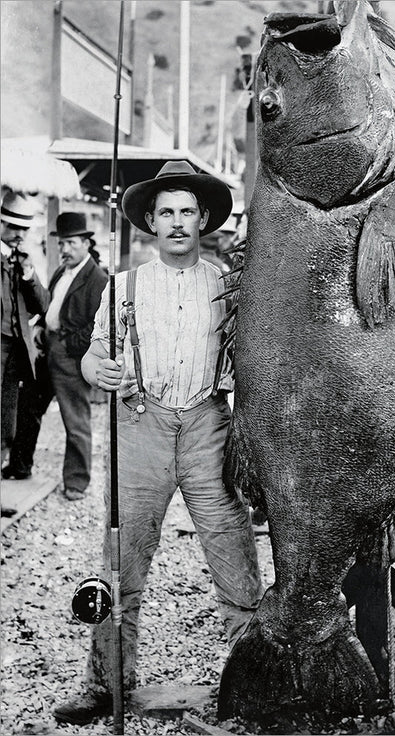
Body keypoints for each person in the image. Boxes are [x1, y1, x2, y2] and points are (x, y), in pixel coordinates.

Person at [53, 161, 263, 726]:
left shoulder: (228, 285)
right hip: (140, 425)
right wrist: (101, 371)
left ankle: (256, 682)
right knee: (121, 562)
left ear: (203, 220)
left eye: (187, 212)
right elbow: (93, 354)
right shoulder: (123, 286)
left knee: (235, 556)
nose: (176, 222)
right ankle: (105, 686)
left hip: (207, 426)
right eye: (166, 212)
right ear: (150, 221)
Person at [3, 215, 107, 489]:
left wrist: (67, 344)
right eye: (61, 243)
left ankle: (76, 483)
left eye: (71, 243)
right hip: (45, 352)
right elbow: (49, 306)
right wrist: (40, 328)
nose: (65, 249)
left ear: (86, 243)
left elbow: (99, 325)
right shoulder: (63, 270)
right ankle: (19, 466)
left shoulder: (98, 279)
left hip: (71, 359)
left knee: (75, 421)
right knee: (28, 409)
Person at [1, 192, 49, 482]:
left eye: (24, 229)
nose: (19, 234)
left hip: (14, 354)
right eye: (13, 227)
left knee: (6, 426)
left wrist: (29, 275)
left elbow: (43, 305)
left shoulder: (22, 262)